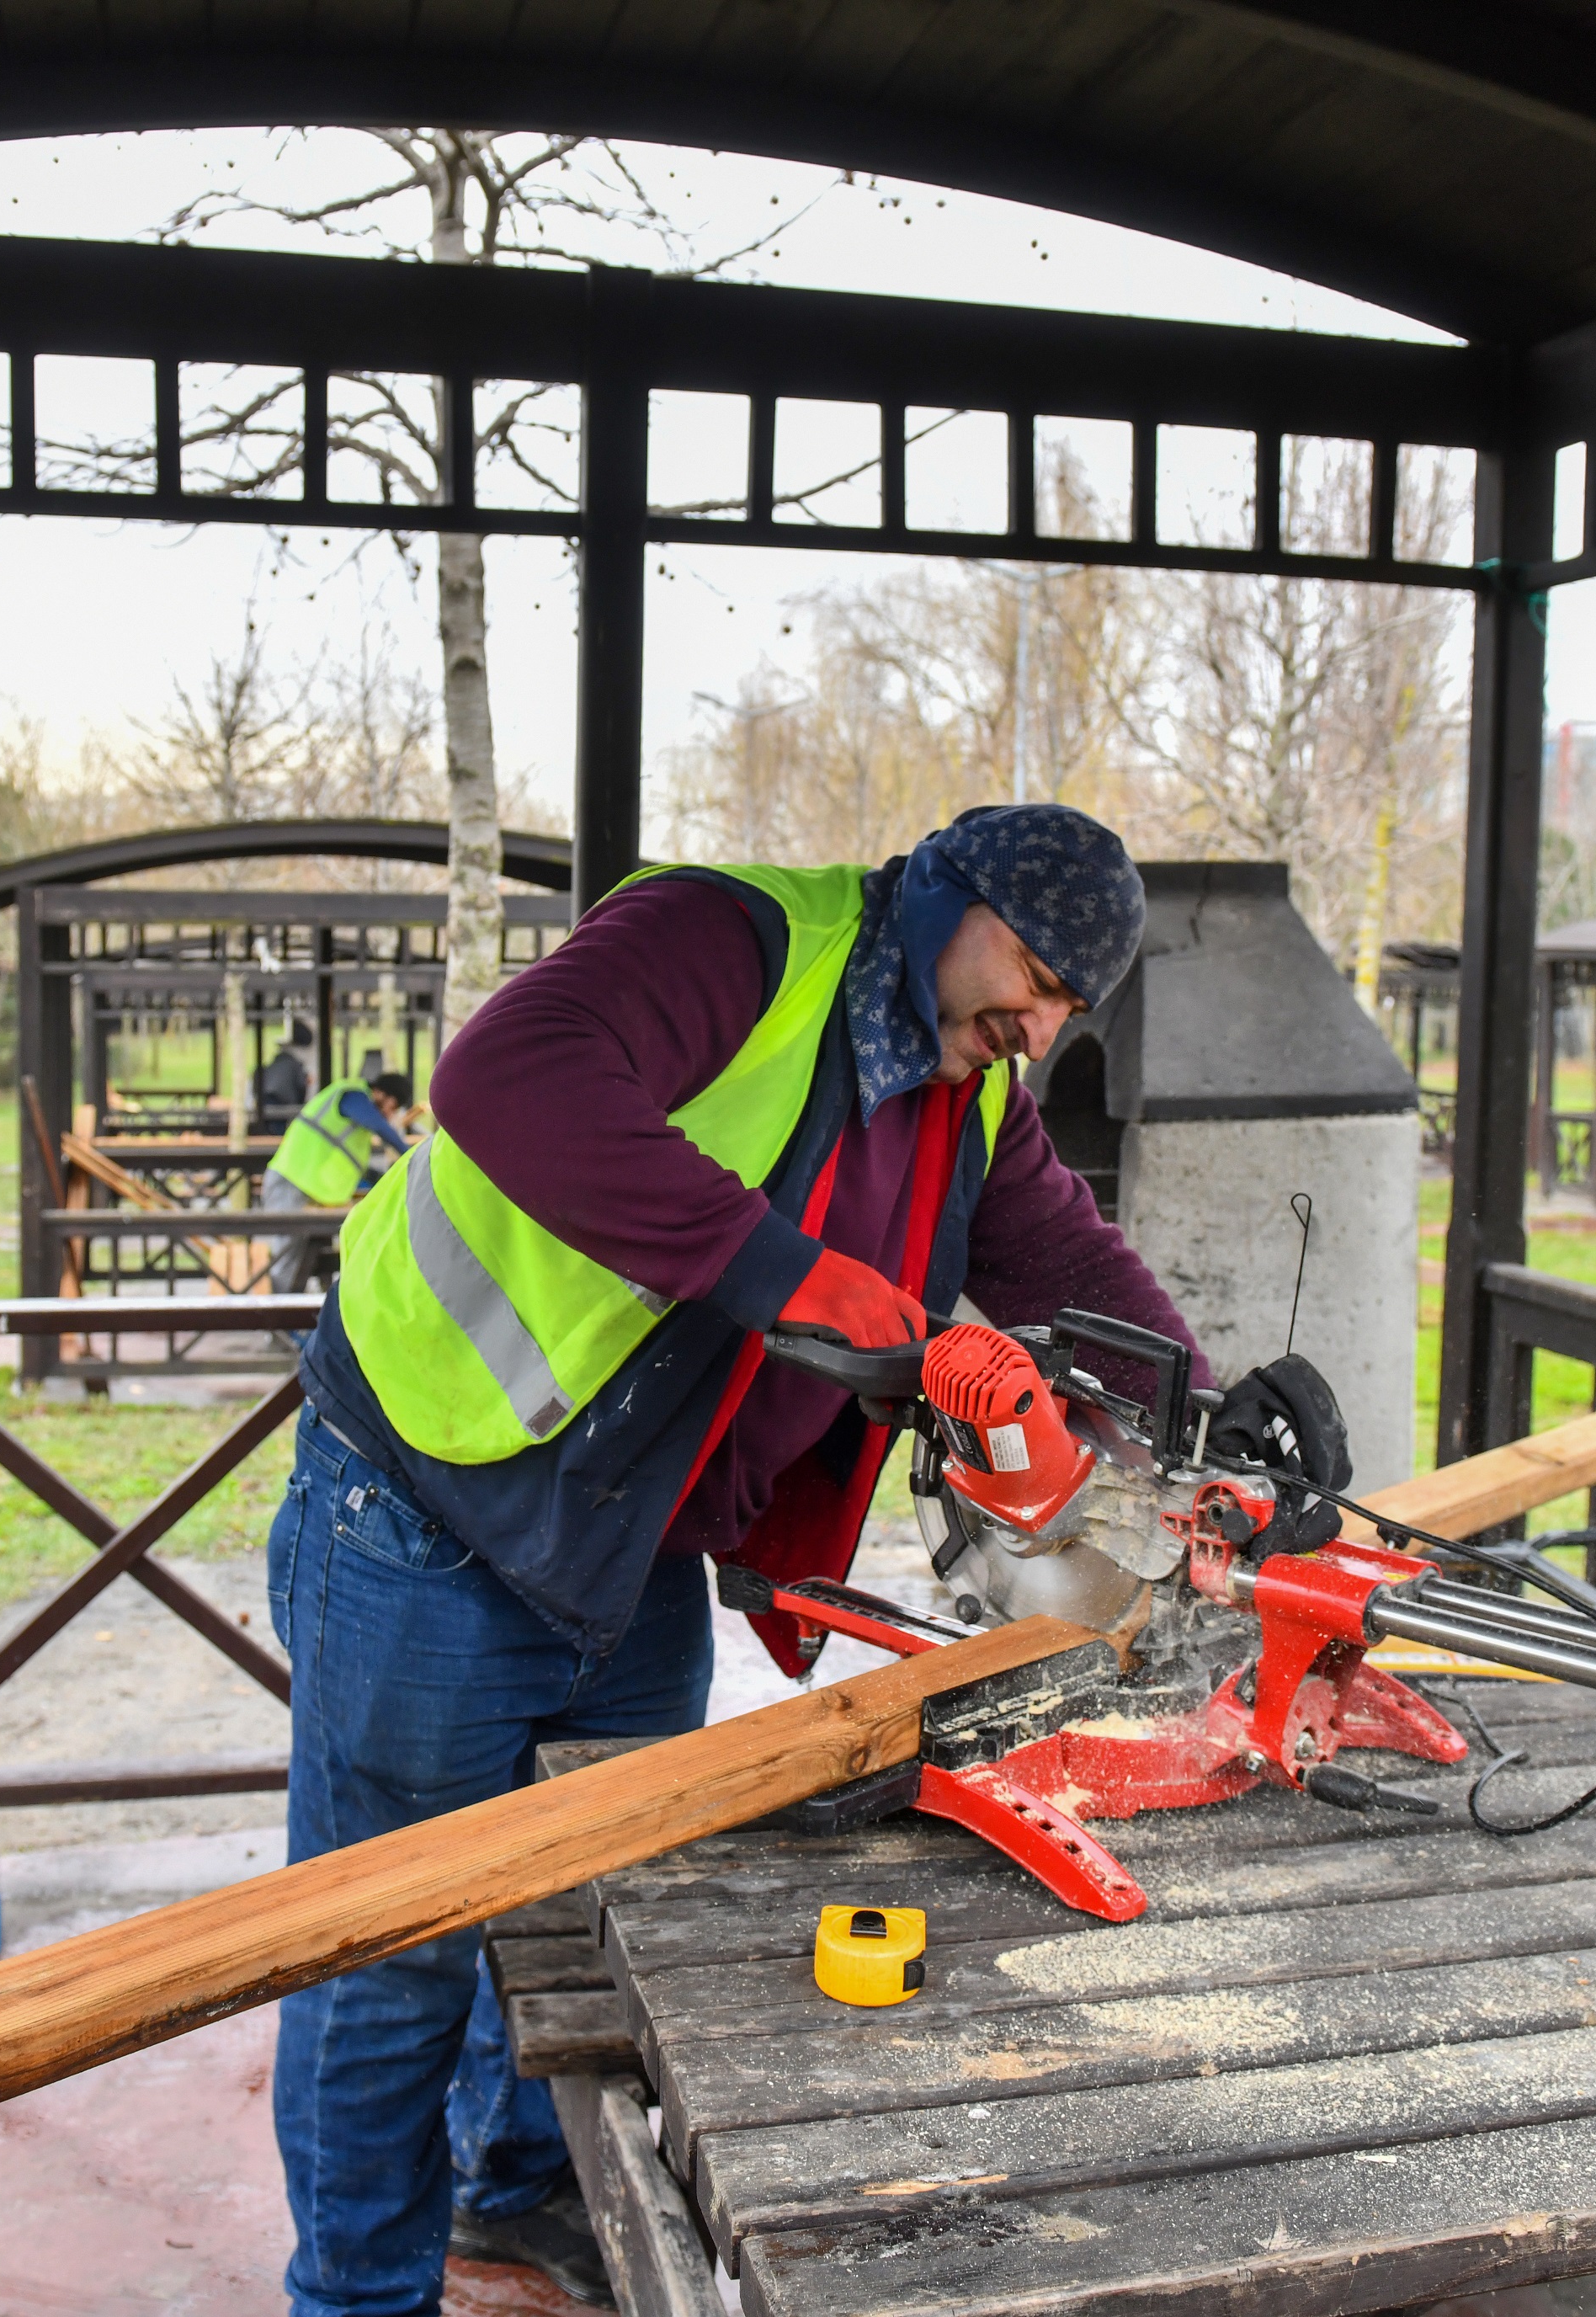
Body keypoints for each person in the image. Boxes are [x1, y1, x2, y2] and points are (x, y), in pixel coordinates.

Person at [263, 804, 1213, 2316]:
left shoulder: (973, 1090)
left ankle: (516, 2194)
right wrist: (776, 1273)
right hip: (424, 1500)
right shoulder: (732, 938)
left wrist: (1210, 1410)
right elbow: (502, 1076)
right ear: (945, 895)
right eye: (1029, 978)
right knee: (393, 1950)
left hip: (626, 1537)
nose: (1032, 1031)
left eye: (1061, 1012)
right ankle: (360, 2296)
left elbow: (1064, 1253)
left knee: (599, 1913)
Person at [261, 1069, 415, 1295]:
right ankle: (274, 1321)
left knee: (306, 1256)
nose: (389, 1114)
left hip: (309, 1189)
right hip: (292, 1181)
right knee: (287, 1256)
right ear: (381, 1093)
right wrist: (410, 1155)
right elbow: (380, 1128)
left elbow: (354, 1164)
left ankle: (296, 1319)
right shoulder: (352, 1097)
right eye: (392, 1106)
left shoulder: (357, 1123)